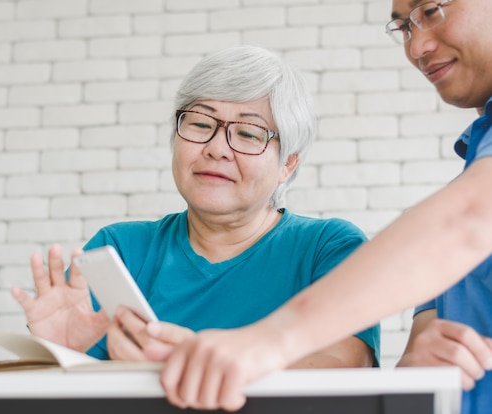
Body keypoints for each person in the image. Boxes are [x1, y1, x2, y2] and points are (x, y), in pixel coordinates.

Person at [155, 1, 492, 413]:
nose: (417, 46)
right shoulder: (469, 172)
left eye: (432, 9)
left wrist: (265, 342)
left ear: (287, 163)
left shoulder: (332, 243)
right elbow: (414, 376)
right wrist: (421, 372)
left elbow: (467, 219)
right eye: (403, 26)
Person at [10, 45, 379, 372]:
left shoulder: (328, 247)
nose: (217, 148)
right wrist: (58, 355)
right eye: (201, 123)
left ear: (288, 164)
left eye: (249, 133)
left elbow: (346, 364)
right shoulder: (120, 249)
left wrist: (185, 359)